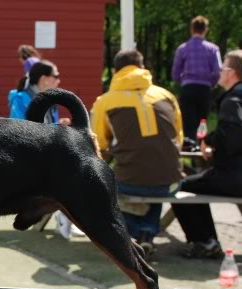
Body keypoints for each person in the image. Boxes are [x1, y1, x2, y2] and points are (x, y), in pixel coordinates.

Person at [91, 49, 184, 258]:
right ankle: (146, 234)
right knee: (156, 176)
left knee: (111, 182)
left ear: (115, 71)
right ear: (143, 67)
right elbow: (178, 139)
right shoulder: (166, 96)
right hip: (170, 183)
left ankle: (131, 234)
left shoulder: (105, 101)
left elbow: (98, 144)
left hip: (131, 181)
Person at [172, 50, 242, 259]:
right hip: (235, 172)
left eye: (223, 68)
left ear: (232, 72)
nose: (219, 72)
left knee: (181, 187)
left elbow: (234, 135)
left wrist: (210, 141)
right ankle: (208, 240)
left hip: (233, 176)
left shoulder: (233, 100)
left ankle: (205, 241)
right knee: (197, 181)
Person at [9, 60, 80, 239]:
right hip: (26, 158)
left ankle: (66, 217)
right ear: (44, 79)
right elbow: (22, 129)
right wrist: (57, 126)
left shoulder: (50, 100)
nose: (59, 81)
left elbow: (46, 129)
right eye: (56, 76)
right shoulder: (21, 99)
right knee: (69, 174)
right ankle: (66, 218)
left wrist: (59, 126)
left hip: (45, 155)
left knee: (74, 170)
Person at [172, 15, 221, 141]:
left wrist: (182, 81)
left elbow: (175, 73)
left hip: (188, 88)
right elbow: (217, 72)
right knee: (202, 121)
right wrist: (212, 83)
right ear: (205, 29)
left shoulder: (183, 48)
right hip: (204, 89)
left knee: (188, 121)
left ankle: (189, 148)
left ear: (191, 29)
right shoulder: (213, 49)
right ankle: (200, 149)